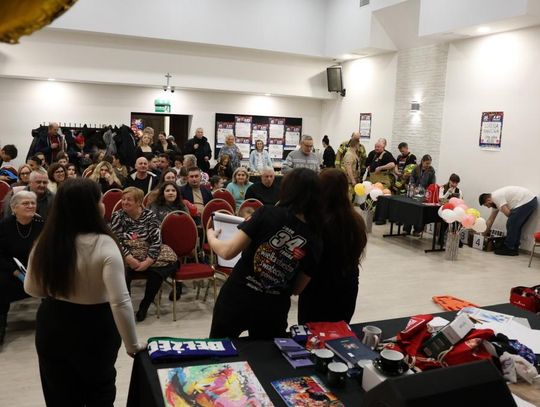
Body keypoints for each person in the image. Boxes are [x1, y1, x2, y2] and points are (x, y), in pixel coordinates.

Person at [24, 178, 145, 406]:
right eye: (100, 200)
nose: (104, 205)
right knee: (99, 392)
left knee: (59, 394)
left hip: (53, 323)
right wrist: (133, 345)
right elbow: (120, 301)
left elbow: (32, 289)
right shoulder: (105, 244)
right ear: (91, 206)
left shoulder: (45, 241)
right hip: (96, 327)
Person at [208, 168, 322, 339]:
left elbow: (227, 251)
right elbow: (297, 289)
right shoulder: (316, 237)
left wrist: (211, 236)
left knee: (221, 350)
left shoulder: (266, 213)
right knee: (264, 354)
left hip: (238, 297)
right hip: (273, 308)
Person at [298, 169, 367, 324]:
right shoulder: (356, 221)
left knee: (310, 333)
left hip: (316, 287)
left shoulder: (315, 221)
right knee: (339, 332)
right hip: (347, 285)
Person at [111, 187, 178, 320]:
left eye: (129, 200)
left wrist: (148, 261)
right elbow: (116, 240)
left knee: (158, 271)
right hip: (126, 253)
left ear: (139, 202)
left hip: (147, 250)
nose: (124, 202)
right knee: (122, 271)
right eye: (123, 199)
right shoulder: (117, 216)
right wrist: (129, 258)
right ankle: (126, 307)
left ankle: (145, 305)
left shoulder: (149, 215)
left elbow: (156, 240)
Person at [0, 191, 45, 345]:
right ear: (14, 208)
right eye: (26, 203)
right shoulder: (4, 226)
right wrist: (16, 272)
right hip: (12, 272)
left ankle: (50, 323)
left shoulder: (42, 224)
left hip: (38, 271)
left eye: (33, 203)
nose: (31, 206)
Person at [479, 187, 538, 256]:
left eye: (486, 205)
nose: (488, 207)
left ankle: (509, 248)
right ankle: (514, 248)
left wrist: (511, 217)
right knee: (515, 225)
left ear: (488, 200)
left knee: (511, 223)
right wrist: (482, 235)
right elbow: (490, 220)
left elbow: (508, 213)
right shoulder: (495, 202)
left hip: (527, 201)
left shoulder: (496, 197)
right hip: (530, 201)